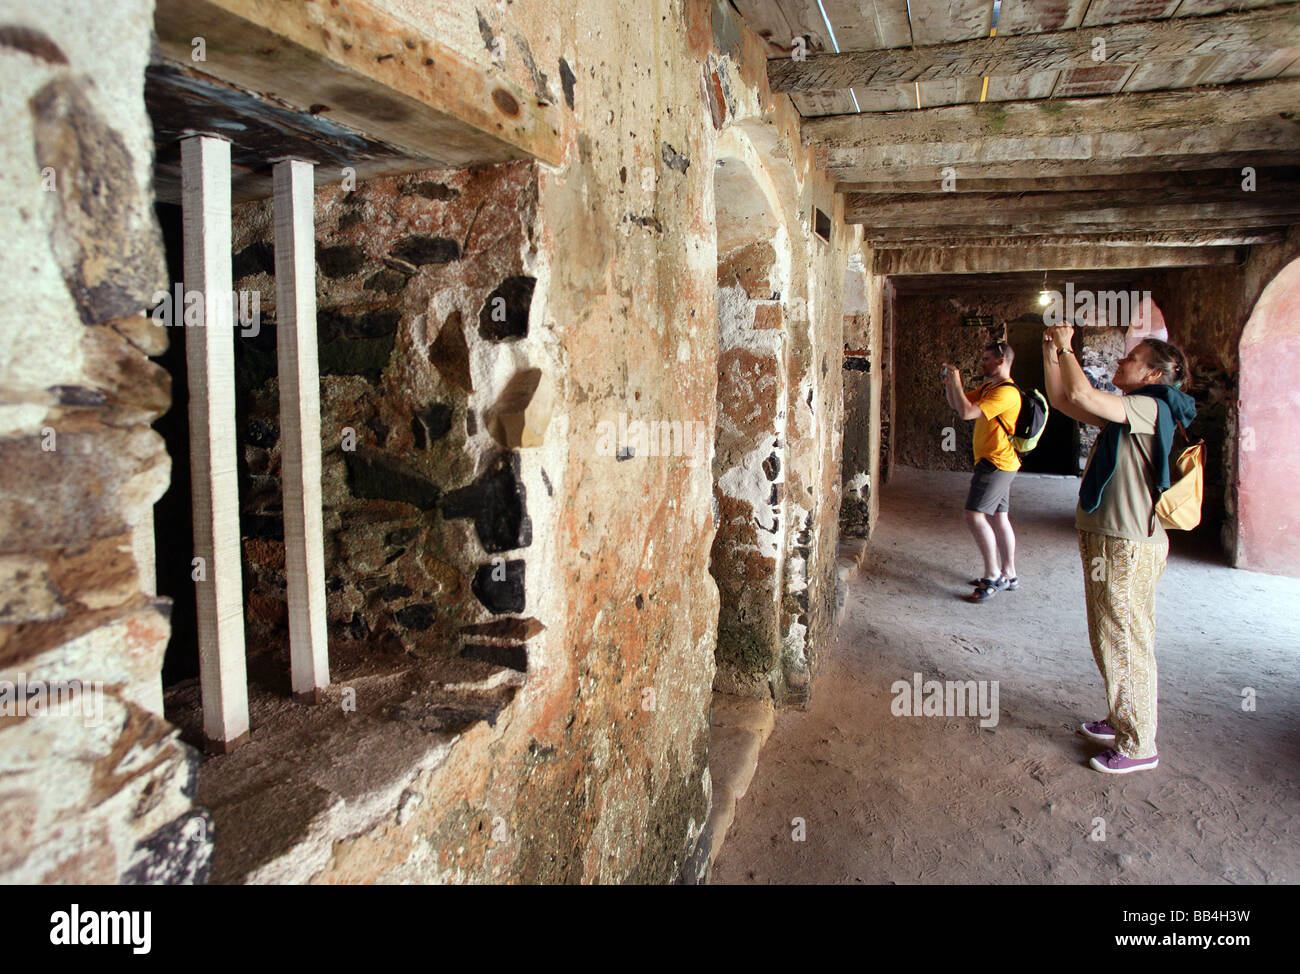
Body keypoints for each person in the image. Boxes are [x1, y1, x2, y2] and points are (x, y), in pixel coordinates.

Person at [1042, 326, 1195, 775]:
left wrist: (1068, 347)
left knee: (1125, 639)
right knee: (1110, 634)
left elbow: (1085, 396)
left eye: (1131, 359)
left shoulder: (1151, 406)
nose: (1120, 363)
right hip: (1111, 537)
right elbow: (1066, 399)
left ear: (1153, 372)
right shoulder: (1128, 411)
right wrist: (1051, 350)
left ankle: (1138, 744)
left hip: (1127, 543)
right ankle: (1121, 718)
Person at [942, 341, 1022, 602]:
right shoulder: (990, 387)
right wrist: (950, 383)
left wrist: (957, 379)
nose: (983, 362)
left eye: (987, 359)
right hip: (1000, 462)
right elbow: (957, 404)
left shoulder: (1006, 393)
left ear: (1001, 361)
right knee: (1000, 518)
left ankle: (992, 575)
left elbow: (966, 413)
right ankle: (1009, 574)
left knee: (974, 516)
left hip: (995, 463)